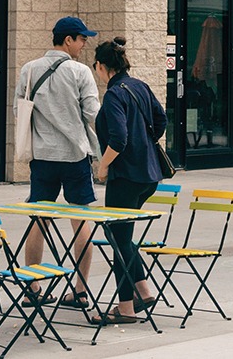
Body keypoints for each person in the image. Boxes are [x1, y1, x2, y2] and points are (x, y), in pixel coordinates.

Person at [16, 16, 101, 308]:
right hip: (75, 156)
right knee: (81, 220)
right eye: (81, 39)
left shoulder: (28, 70)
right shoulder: (80, 72)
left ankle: (33, 287)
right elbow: (93, 113)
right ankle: (79, 291)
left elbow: (20, 110)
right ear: (68, 40)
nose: (84, 44)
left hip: (42, 157)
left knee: (38, 219)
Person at [92, 37, 164, 326]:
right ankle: (143, 291)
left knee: (119, 240)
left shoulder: (113, 95)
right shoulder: (140, 87)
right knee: (122, 238)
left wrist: (103, 166)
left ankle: (126, 308)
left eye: (95, 66)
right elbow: (161, 121)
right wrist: (144, 146)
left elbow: (118, 139)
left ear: (102, 66)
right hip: (149, 175)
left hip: (126, 177)